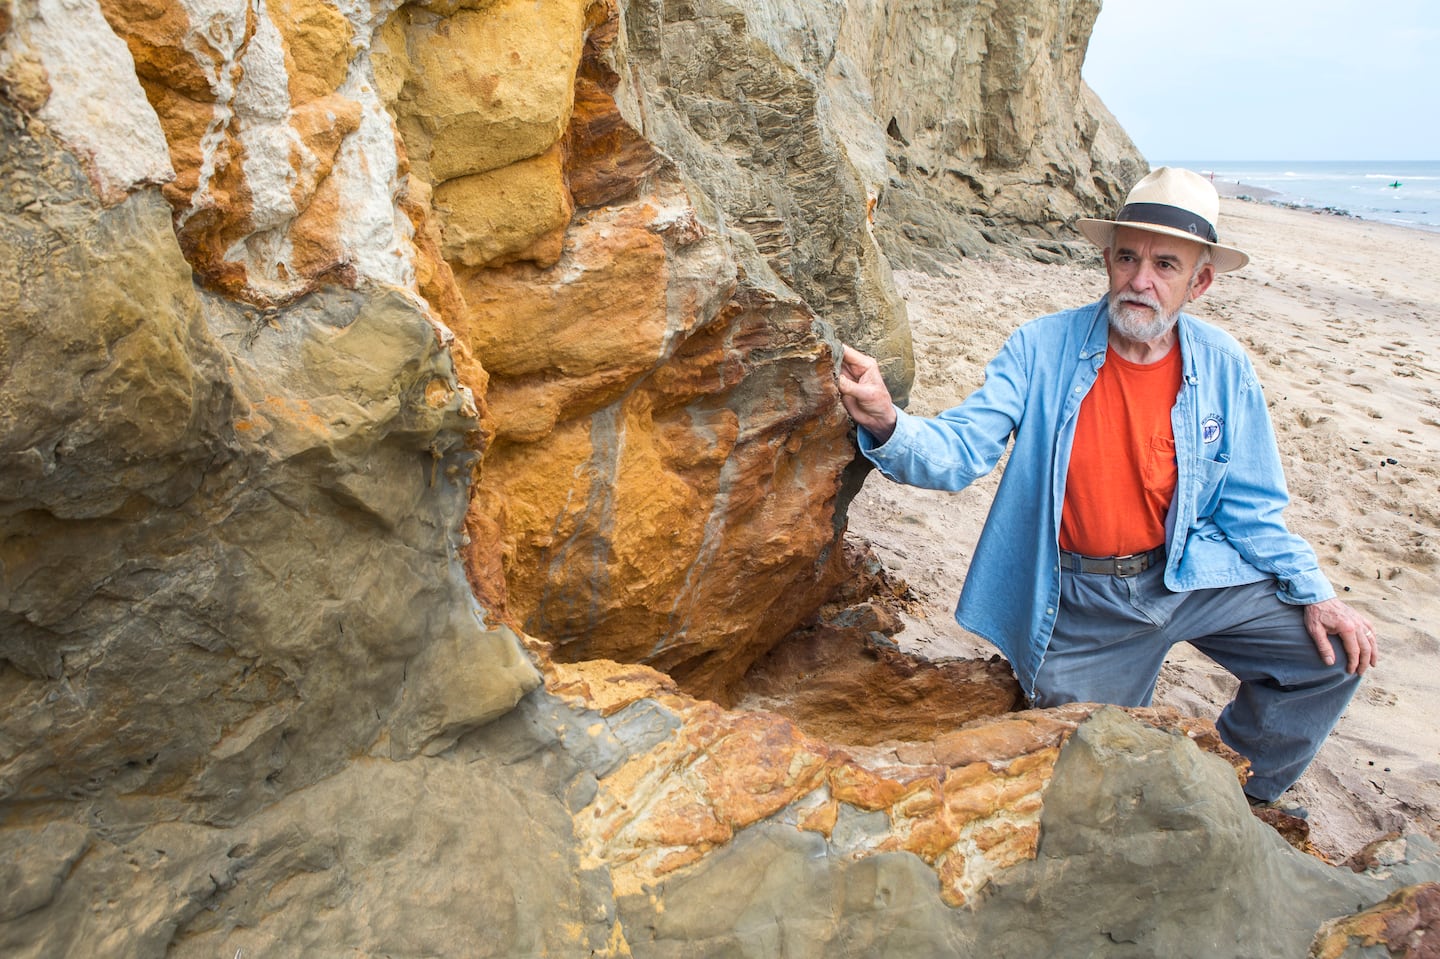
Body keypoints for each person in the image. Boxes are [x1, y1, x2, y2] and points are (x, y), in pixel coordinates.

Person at [837, 166, 1378, 806]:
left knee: (1331, 657)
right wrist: (886, 420)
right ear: (1107, 259)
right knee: (1089, 781)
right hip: (1084, 599)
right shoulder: (1041, 347)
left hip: (1188, 573)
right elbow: (960, 449)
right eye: (1128, 257)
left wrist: (1316, 592)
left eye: (1166, 265)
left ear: (1199, 281)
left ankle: (1240, 797)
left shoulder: (1224, 365)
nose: (1141, 280)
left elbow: (1253, 510)